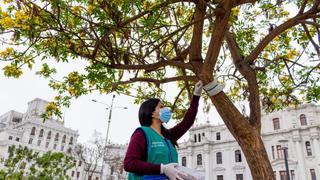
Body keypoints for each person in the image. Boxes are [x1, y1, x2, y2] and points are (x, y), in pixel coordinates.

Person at [124, 80, 224, 180]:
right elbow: (129, 163)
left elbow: (187, 122)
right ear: (152, 113)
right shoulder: (141, 134)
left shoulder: (168, 136)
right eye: (161, 107)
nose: (166, 109)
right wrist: (162, 169)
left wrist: (196, 96)